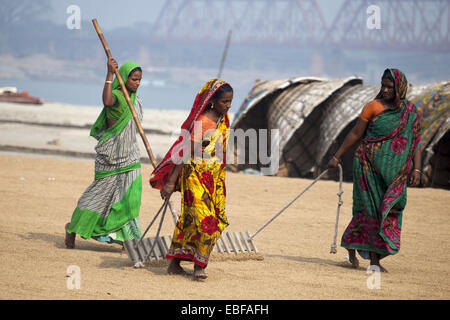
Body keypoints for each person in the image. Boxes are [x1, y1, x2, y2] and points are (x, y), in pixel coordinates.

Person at [327, 68, 422, 272]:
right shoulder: (372, 106)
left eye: (390, 87)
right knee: (369, 212)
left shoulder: (411, 113)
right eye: (383, 85)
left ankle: (352, 244)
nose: (386, 90)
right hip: (366, 166)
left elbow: (415, 143)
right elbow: (356, 133)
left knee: (389, 210)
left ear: (400, 88)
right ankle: (374, 261)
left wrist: (417, 169)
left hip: (394, 173)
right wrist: (336, 156)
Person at [150, 79, 233, 280]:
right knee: (207, 221)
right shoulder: (203, 122)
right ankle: (199, 266)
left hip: (214, 180)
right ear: (212, 101)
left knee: (199, 221)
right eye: (224, 102)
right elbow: (185, 153)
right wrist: (171, 182)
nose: (228, 106)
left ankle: (174, 263)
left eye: (230, 101)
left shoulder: (224, 120)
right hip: (195, 177)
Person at [65, 58, 144, 250]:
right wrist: (109, 74)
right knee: (97, 196)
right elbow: (106, 101)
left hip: (130, 157)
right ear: (124, 78)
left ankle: (129, 239)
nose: (137, 83)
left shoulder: (135, 100)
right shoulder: (117, 95)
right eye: (134, 79)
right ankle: (72, 228)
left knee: (130, 196)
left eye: (140, 79)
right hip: (110, 157)